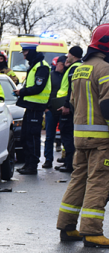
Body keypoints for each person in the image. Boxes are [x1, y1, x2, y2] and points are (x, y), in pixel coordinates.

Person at [56, 24, 109, 247]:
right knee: (99, 182)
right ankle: (92, 232)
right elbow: (107, 106)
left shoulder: (79, 68)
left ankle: (67, 227)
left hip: (81, 137)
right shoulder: (104, 69)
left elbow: (74, 102)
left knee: (78, 180)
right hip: (102, 139)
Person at [13, 42, 51, 175]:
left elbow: (38, 87)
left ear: (31, 51)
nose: (23, 55)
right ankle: (28, 164)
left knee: (33, 137)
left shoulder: (41, 67)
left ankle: (32, 165)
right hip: (30, 106)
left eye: (25, 52)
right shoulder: (35, 65)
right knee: (26, 136)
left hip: (36, 107)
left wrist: (21, 92)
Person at [54, 46, 84, 173]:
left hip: (68, 106)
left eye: (69, 54)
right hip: (68, 104)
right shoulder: (73, 67)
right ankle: (68, 162)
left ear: (73, 55)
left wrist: (66, 105)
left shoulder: (74, 68)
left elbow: (72, 88)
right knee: (67, 135)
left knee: (67, 135)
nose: (67, 56)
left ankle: (69, 164)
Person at [42, 56, 66, 168]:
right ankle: (48, 159)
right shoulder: (51, 76)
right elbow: (45, 92)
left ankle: (66, 158)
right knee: (49, 136)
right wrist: (46, 108)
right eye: (61, 64)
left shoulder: (67, 75)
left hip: (64, 110)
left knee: (65, 135)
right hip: (51, 109)